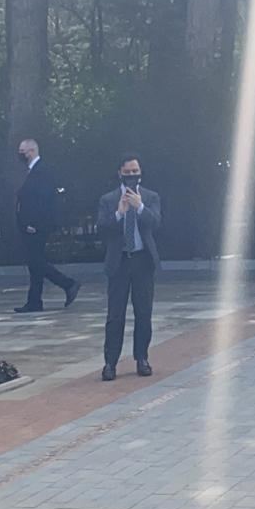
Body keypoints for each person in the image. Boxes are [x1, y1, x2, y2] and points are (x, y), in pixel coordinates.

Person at [96, 154, 162, 382]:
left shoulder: (151, 197)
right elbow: (102, 227)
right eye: (129, 172)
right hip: (119, 261)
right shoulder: (108, 199)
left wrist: (140, 207)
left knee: (144, 313)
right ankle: (110, 363)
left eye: (136, 171)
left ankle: (142, 358)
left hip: (143, 260)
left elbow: (156, 223)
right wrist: (119, 212)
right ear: (120, 173)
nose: (133, 175)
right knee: (116, 315)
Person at [14, 138, 81, 313]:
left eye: (23, 151)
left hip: (36, 226)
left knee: (36, 261)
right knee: (34, 263)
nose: (21, 154)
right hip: (31, 225)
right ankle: (34, 301)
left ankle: (68, 283)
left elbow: (43, 200)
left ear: (32, 151)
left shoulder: (42, 171)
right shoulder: (33, 171)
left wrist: (33, 223)